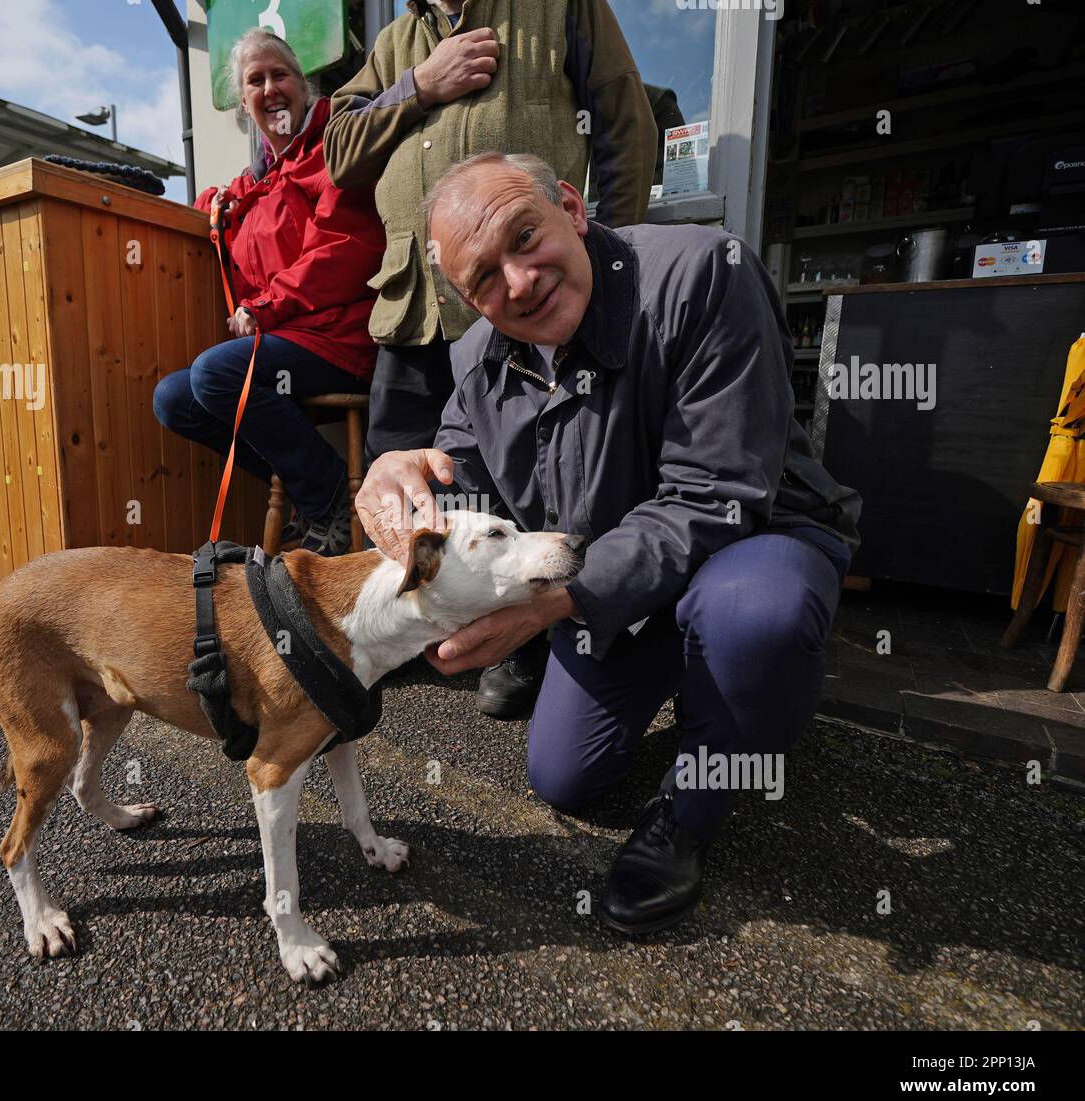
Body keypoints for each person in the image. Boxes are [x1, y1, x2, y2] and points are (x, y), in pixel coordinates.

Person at [355, 152, 862, 936]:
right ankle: (697, 677)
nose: (518, 282)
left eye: (526, 237)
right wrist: (396, 471)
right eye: (485, 279)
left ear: (571, 206)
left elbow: (716, 495)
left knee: (755, 621)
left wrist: (553, 606)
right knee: (565, 777)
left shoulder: (703, 273)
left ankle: (695, 803)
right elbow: (467, 488)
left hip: (749, 538)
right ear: (466, 301)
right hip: (609, 582)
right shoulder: (474, 359)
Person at [325, 0, 655, 705]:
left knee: (525, 474)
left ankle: (526, 637)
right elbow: (340, 152)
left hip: (520, 298)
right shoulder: (395, 41)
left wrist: (611, 266)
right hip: (414, 300)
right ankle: (416, 630)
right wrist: (419, 84)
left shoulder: (563, 8)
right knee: (421, 485)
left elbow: (626, 125)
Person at [153, 29, 385, 555]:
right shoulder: (252, 183)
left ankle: (326, 496)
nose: (270, 88)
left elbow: (345, 248)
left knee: (216, 373)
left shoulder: (333, 150)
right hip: (289, 344)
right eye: (255, 80)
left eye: (280, 74)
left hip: (341, 339)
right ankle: (310, 497)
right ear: (244, 103)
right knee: (173, 398)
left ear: (302, 86)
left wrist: (263, 307)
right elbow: (222, 209)